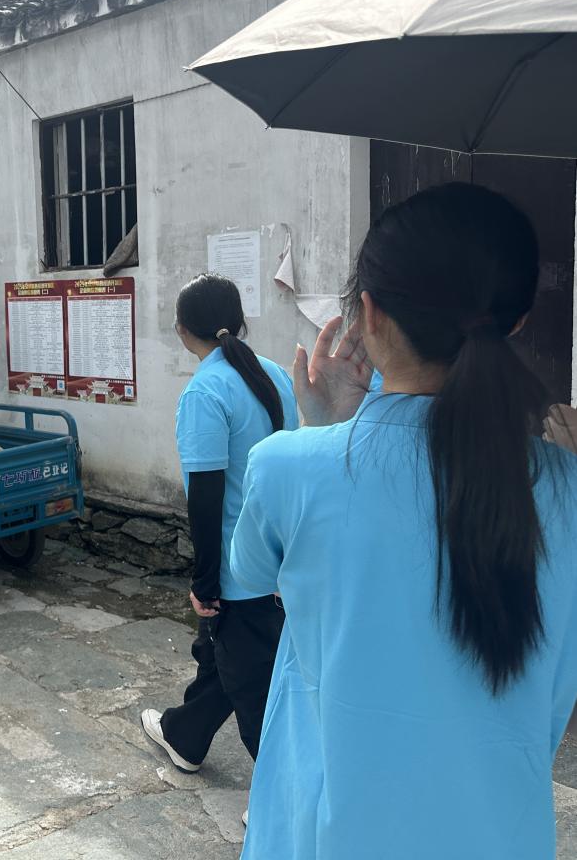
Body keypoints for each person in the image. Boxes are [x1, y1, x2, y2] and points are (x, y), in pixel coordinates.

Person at [232, 184, 577, 860]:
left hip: (325, 837)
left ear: (367, 311)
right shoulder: (564, 486)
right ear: (515, 322)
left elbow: (250, 579)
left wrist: (322, 429)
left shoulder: (288, 468)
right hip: (500, 839)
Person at [140, 274, 297, 786]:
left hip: (239, 570)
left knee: (253, 688)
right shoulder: (275, 375)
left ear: (183, 330)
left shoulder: (205, 392)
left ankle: (281, 803)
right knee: (223, 656)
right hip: (280, 558)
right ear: (240, 321)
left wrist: (205, 583)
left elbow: (205, 498)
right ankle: (184, 736)